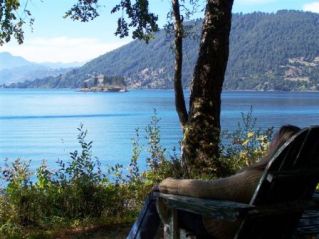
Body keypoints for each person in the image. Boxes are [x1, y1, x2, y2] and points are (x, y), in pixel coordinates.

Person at [127, 125, 301, 239]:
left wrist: (166, 184)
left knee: (154, 198)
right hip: (268, 230)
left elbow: (205, 189)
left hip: (227, 228)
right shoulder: (297, 184)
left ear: (276, 148)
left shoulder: (255, 179)